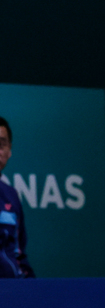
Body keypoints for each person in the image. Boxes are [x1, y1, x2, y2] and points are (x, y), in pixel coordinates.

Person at [0, 116, 35, 279]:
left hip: (13, 289)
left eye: (1, 145)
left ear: (9, 151)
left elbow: (19, 254)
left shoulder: (11, 195)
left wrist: (30, 287)